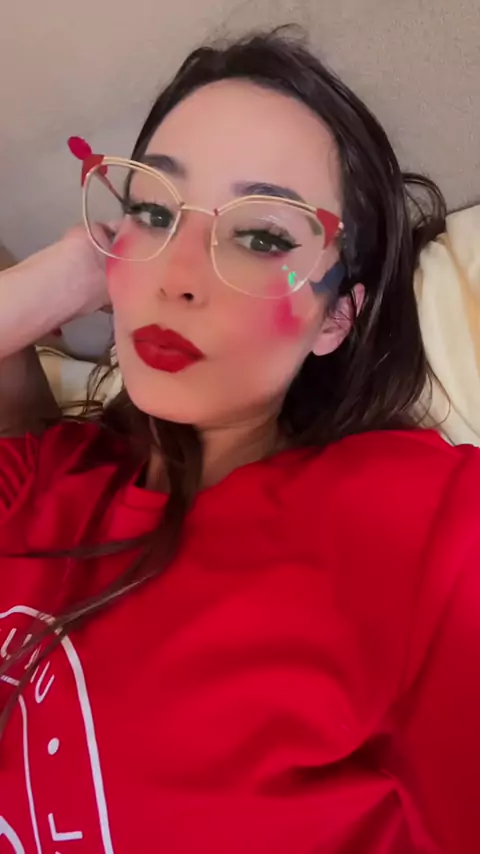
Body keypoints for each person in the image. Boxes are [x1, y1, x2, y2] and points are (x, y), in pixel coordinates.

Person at [0, 28, 479, 854]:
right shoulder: (46, 478)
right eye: (153, 212)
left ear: (335, 318)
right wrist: (55, 279)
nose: (177, 276)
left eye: (262, 238)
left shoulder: (420, 532)